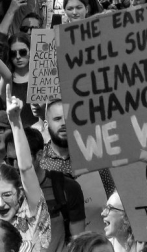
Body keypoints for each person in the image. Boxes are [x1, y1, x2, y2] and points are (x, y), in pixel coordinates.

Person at [5, 127, 85, 252]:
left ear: (39, 155)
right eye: (10, 160)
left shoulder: (67, 188)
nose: (16, 165)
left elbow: (78, 243)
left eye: (21, 158)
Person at [2, 88, 51, 252]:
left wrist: (15, 122)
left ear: (21, 193)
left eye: (7, 195)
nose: (1, 204)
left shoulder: (32, 214)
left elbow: (26, 168)